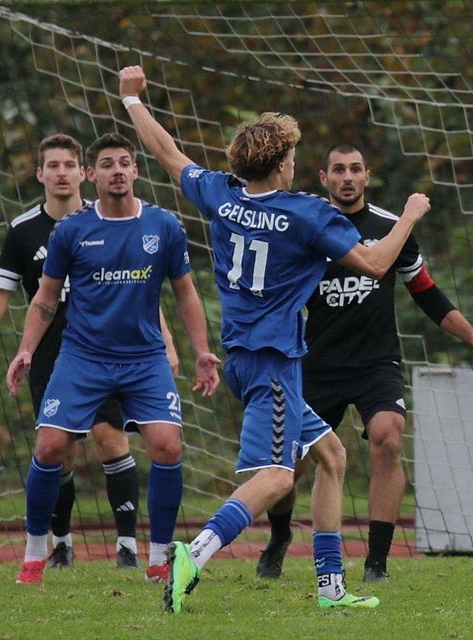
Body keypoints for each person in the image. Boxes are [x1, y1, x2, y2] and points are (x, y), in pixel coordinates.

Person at [118, 65, 431, 613]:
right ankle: (195, 552)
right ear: (282, 163)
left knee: (332, 456)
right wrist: (408, 215)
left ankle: (331, 588)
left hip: (243, 355)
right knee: (277, 476)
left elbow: (167, 152)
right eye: (292, 157)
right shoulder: (306, 214)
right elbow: (379, 262)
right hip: (273, 362)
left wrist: (131, 101)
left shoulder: (221, 195)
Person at [257, 143, 473, 582]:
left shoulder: (390, 228)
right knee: (289, 466)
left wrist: (472, 334)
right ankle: (280, 536)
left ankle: (377, 562)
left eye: (356, 168)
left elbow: (425, 290)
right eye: (339, 170)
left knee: (388, 439)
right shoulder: (308, 225)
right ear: (324, 179)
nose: (348, 177)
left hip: (376, 363)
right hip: (317, 363)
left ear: (367, 176)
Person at [6, 132, 220, 586]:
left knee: (168, 446)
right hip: (83, 358)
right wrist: (26, 349)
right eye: (107, 164)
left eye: (124, 162)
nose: (117, 170)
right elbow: (45, 297)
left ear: (136, 171)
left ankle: (158, 559)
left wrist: (202, 351)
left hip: (144, 359)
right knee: (49, 447)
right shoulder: (72, 230)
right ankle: (35, 553)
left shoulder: (163, 226)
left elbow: (185, 293)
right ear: (92, 174)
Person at [0, 133, 179, 571]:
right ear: (40, 173)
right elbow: (5, 288)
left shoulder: (120, 219)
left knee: (111, 437)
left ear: (83, 173)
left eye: (69, 165)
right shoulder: (25, 230)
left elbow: (142, 291)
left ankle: (128, 545)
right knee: (55, 450)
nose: (62, 173)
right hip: (55, 353)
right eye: (53, 166)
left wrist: (169, 342)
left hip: (117, 349)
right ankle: (59, 543)